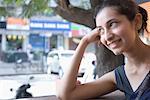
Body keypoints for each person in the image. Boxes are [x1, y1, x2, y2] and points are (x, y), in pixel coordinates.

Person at [56, 0, 150, 100]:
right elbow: (67, 94)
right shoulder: (120, 76)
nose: (107, 36)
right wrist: (84, 41)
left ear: (137, 21)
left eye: (112, 24)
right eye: (101, 30)